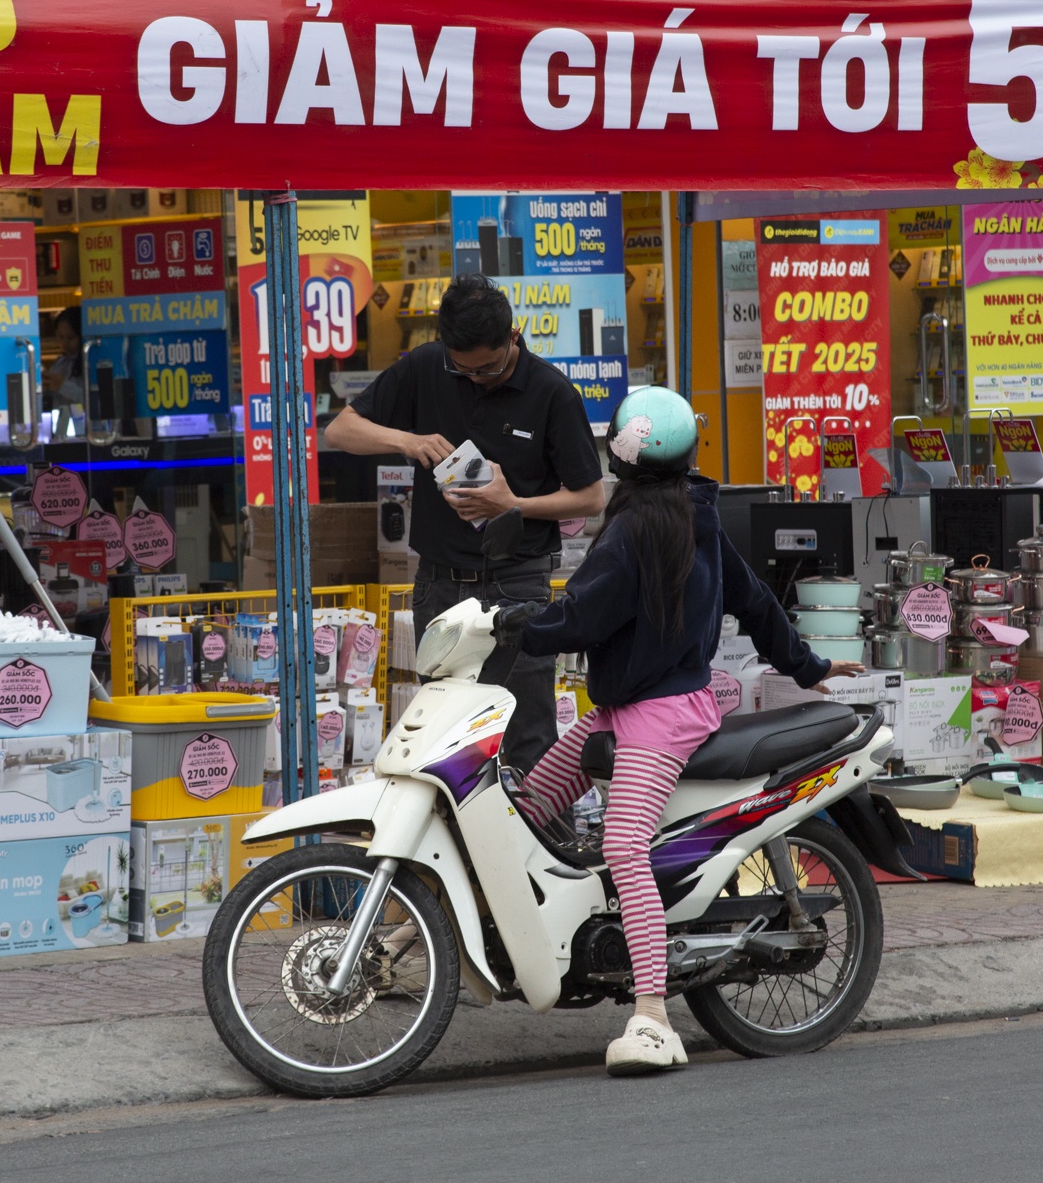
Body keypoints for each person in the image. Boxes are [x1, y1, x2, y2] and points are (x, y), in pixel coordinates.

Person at [500, 385, 863, 1076]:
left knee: (624, 842)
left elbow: (581, 617)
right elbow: (756, 599)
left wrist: (521, 622)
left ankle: (653, 1014)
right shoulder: (696, 512)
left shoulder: (633, 528)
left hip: (658, 714)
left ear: (620, 455)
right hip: (637, 703)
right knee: (530, 803)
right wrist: (806, 662)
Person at [327, 273, 605, 770]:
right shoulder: (428, 366)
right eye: (465, 370)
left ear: (513, 336)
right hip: (440, 586)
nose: (477, 378)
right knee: (443, 741)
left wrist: (513, 503)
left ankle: (529, 842)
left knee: (526, 736)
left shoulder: (551, 392)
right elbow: (340, 430)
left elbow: (590, 497)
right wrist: (406, 441)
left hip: (518, 585)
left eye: (489, 368)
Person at [42, 306, 86, 415]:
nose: (64, 343)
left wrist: (63, 386)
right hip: (62, 423)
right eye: (60, 337)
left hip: (84, 424)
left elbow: (94, 402)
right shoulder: (60, 363)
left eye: (70, 338)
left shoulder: (89, 362)